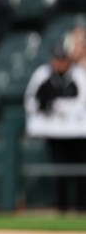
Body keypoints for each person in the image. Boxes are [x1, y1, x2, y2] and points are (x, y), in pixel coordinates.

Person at [24, 45, 86, 211]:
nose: (59, 63)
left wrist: (60, 105)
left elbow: (81, 101)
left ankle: (81, 209)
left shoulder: (78, 74)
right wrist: (46, 105)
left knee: (81, 172)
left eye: (62, 60)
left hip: (78, 133)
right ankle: (62, 209)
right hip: (53, 132)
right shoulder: (43, 74)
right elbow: (31, 101)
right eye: (56, 59)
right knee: (60, 173)